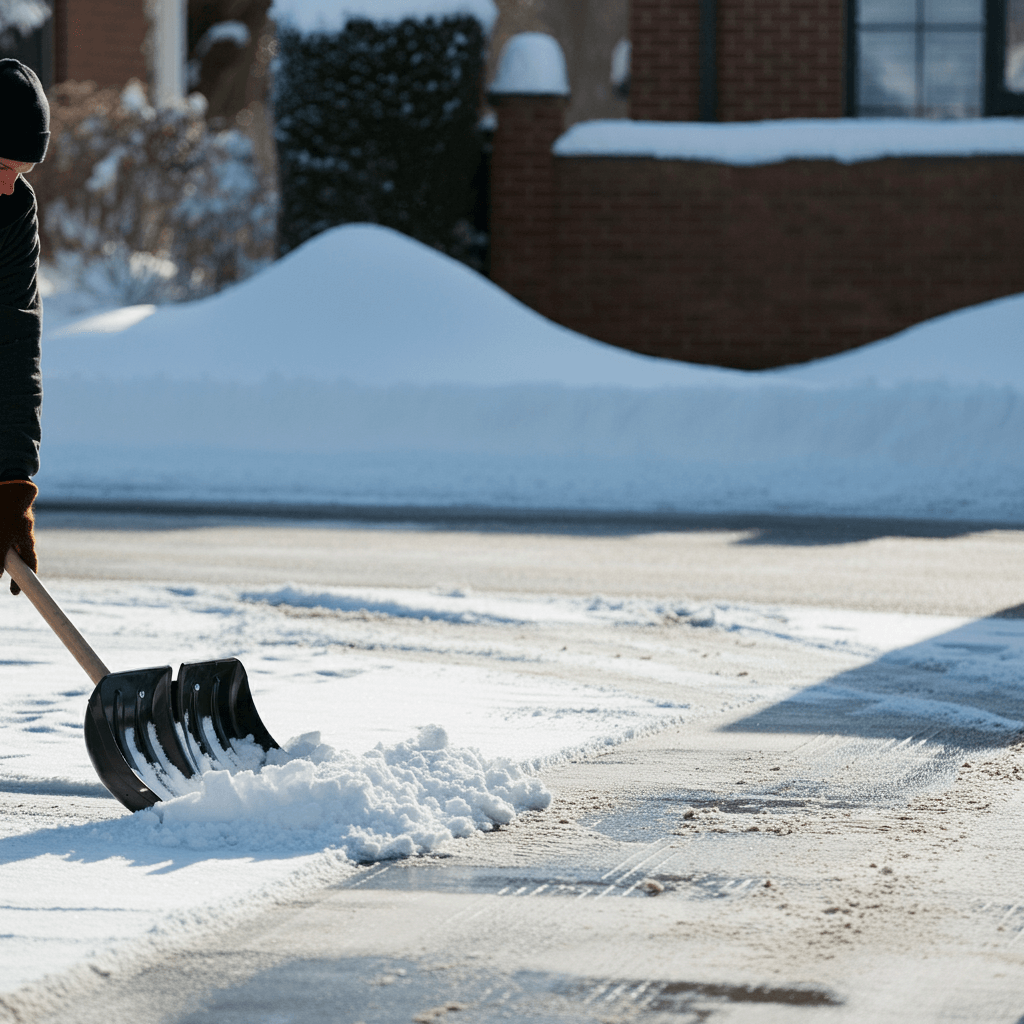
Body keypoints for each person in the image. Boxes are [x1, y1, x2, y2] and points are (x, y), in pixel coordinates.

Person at [0, 59, 49, 595]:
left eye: (22, 171)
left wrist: (12, 484)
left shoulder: (12, 213)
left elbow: (14, 339)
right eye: (1, 165)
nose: (10, 185)